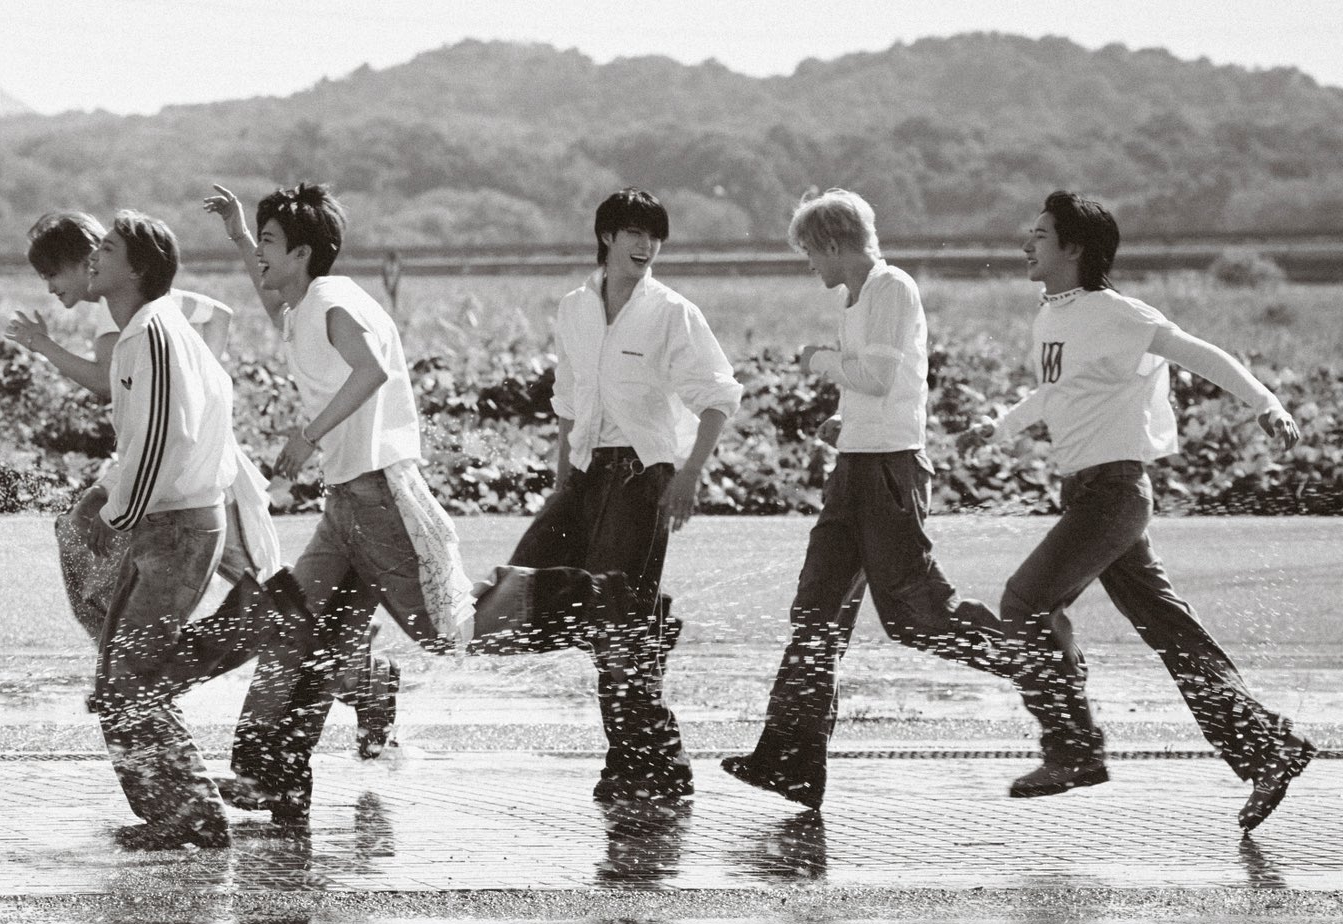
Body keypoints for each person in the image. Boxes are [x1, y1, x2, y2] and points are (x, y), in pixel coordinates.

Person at [955, 191, 1314, 830]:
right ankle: (1268, 749)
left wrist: (1266, 404)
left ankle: (1072, 749)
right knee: (1173, 634)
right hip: (1089, 494)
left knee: (1025, 602)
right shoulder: (1050, 314)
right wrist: (998, 427)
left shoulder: (1118, 315)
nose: (1026, 244)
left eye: (1040, 235)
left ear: (1074, 248)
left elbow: (1200, 353)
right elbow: (1054, 391)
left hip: (1115, 495)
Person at [720, 190, 1074, 810]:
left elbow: (879, 376)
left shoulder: (890, 288)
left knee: (915, 614)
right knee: (816, 615)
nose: (812, 268)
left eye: (811, 253)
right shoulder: (855, 298)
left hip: (889, 475)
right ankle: (790, 761)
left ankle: (1037, 659)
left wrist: (818, 361)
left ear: (833, 243)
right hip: (855, 467)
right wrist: (841, 419)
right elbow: (873, 384)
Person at [204, 182, 474, 821]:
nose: (263, 257)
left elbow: (371, 369)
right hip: (350, 499)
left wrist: (308, 436)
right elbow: (277, 304)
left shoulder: (329, 300)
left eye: (271, 244)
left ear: (300, 254)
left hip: (375, 496)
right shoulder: (313, 301)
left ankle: (586, 611)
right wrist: (243, 236)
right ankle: (274, 773)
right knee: (299, 631)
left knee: (443, 627)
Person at [505, 189, 742, 805]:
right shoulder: (575, 307)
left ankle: (650, 763)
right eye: (634, 232)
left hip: (644, 478)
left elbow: (719, 395)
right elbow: (567, 399)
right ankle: (652, 646)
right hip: (584, 477)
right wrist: (563, 482)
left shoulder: (670, 311)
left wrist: (688, 475)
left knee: (612, 623)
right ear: (607, 237)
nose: (646, 246)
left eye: (654, 235)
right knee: (540, 594)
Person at [80, 212, 306, 850]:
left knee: (126, 679)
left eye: (108, 247)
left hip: (176, 528)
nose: (94, 255)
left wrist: (113, 515)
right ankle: (180, 812)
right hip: (169, 524)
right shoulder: (148, 329)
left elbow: (161, 438)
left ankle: (191, 818)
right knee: (123, 677)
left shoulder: (152, 332)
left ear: (140, 268)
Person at [3, 211, 272, 640]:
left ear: (85, 259)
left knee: (256, 585)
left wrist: (42, 345)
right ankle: (123, 662)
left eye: (53, 274)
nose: (51, 288)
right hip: (188, 458)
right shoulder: (138, 303)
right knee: (251, 578)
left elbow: (105, 384)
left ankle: (120, 658)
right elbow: (218, 314)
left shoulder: (127, 312)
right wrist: (201, 391)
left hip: (182, 463)